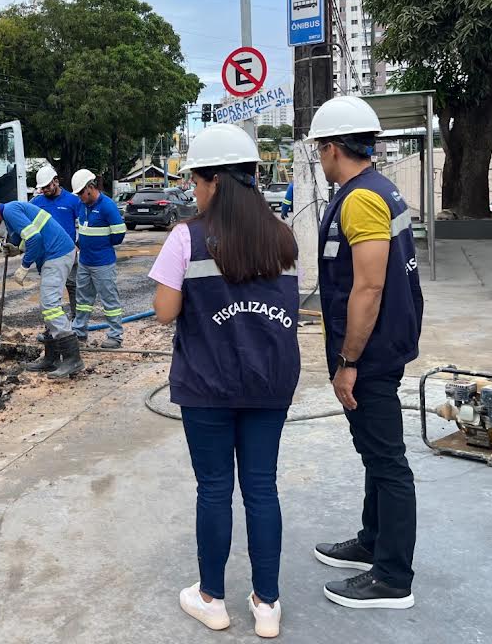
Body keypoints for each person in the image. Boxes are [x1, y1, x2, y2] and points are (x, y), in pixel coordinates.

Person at [149, 124, 299, 639]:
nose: (192, 189)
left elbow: (165, 312)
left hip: (207, 384)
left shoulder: (186, 237)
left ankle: (212, 599)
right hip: (269, 382)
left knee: (214, 488)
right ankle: (267, 604)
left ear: (213, 181)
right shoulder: (280, 235)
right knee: (261, 487)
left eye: (194, 180)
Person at [308, 95, 423, 610]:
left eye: (319, 149)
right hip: (384, 345)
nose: (319, 158)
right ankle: (372, 542)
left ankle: (393, 577)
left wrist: (349, 362)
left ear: (334, 148)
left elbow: (368, 288)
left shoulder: (359, 198)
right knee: (376, 454)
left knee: (387, 460)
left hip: (371, 353)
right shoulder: (379, 188)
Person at [0, 192, 83, 378]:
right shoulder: (12, 212)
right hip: (55, 254)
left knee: (50, 306)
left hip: (58, 254)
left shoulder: (12, 210)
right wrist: (16, 249)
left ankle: (72, 358)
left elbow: (35, 239)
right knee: (48, 306)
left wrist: (24, 266)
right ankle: (51, 358)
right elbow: (29, 236)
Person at [70, 169, 126, 349]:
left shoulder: (107, 206)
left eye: (81, 193)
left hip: (103, 263)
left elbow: (118, 234)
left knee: (109, 300)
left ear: (90, 187)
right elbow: (83, 231)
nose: (80, 197)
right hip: (85, 261)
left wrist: (101, 246)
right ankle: (79, 332)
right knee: (83, 300)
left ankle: (115, 336)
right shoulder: (82, 206)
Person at [30, 165, 82, 317]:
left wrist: (79, 244)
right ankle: (53, 327)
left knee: (73, 286)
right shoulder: (36, 203)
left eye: (47, 187)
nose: (44, 190)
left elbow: (85, 223)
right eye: (42, 188)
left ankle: (77, 323)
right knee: (51, 290)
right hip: (47, 255)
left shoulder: (72, 201)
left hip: (69, 252)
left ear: (56, 181)